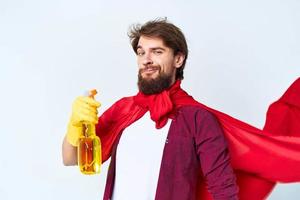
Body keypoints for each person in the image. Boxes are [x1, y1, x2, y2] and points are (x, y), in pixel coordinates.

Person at [63, 18, 300, 200]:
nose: (146, 59)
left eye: (157, 51)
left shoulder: (199, 118)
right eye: (141, 52)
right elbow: (71, 158)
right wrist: (75, 127)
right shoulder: (124, 110)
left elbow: (223, 189)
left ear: (178, 59)